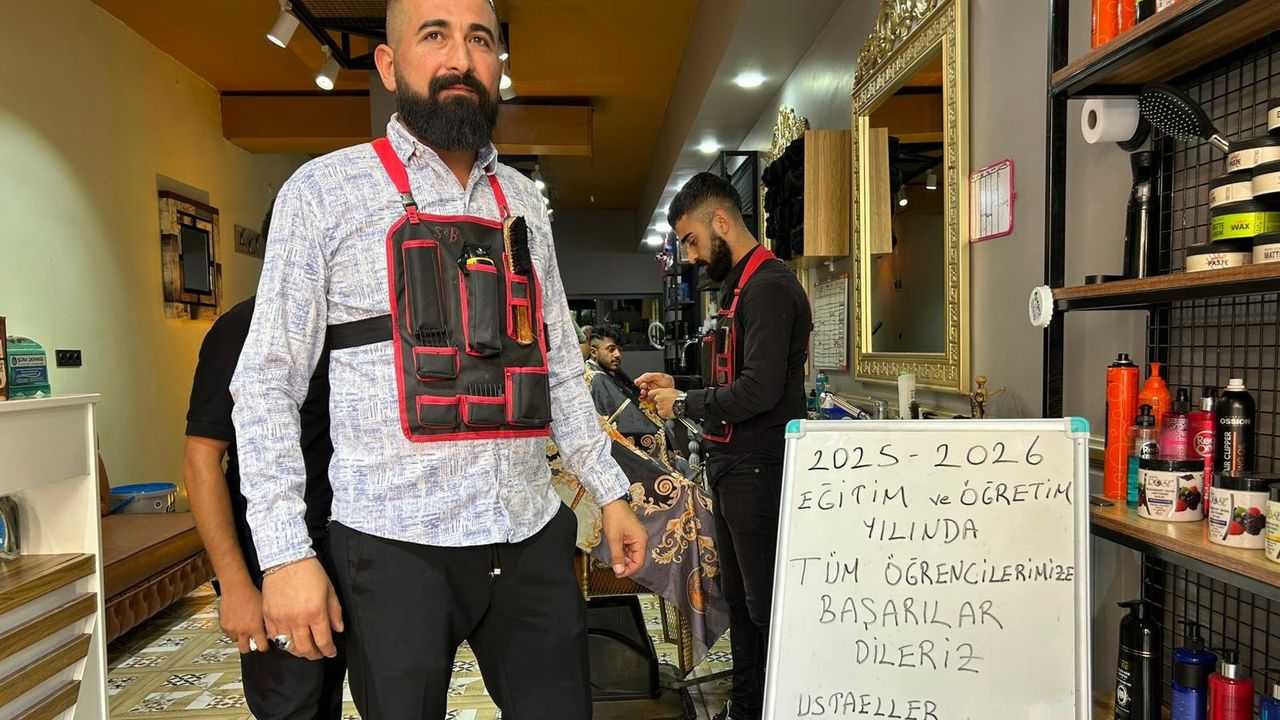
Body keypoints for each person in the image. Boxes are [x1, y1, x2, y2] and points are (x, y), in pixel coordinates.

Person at [229, 0, 647, 717]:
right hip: (393, 546)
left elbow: (557, 363)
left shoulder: (522, 201)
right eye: (434, 35)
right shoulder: (323, 192)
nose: (460, 57)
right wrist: (284, 553)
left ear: (497, 64)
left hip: (527, 530)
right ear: (389, 66)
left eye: (479, 38)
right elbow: (266, 384)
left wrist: (609, 491)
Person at [639, 172, 812, 720]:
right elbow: (734, 379)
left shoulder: (769, 286)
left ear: (720, 221)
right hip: (735, 467)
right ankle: (746, 707)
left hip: (759, 468)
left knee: (764, 607)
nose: (690, 256)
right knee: (740, 603)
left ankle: (776, 707)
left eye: (691, 240)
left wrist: (686, 405)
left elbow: (760, 390)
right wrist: (680, 386)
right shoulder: (741, 288)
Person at [184, 210, 345, 720]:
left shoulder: (358, 323)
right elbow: (201, 459)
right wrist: (235, 586)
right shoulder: (242, 327)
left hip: (361, 549)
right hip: (275, 556)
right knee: (293, 706)